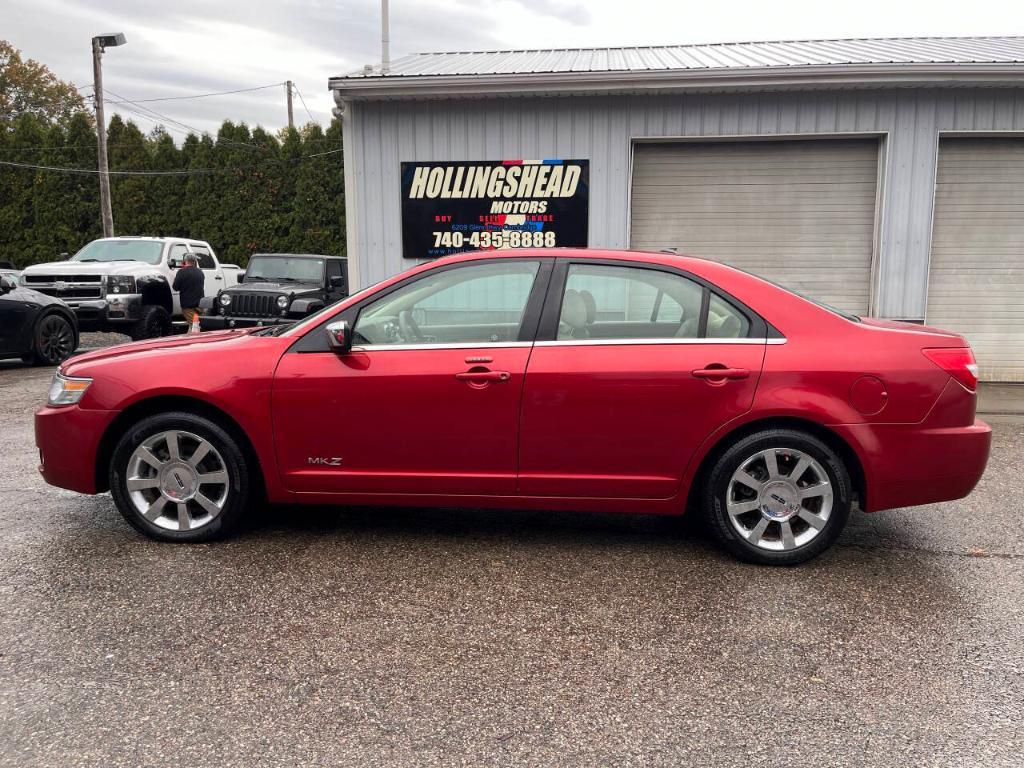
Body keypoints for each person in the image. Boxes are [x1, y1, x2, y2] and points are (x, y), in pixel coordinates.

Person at [172, 253, 205, 328]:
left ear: (185, 261)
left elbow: (175, 287)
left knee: (194, 326)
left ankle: (193, 339)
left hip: (188, 306)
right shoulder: (200, 272)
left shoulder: (181, 272)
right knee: (196, 325)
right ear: (195, 261)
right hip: (200, 305)